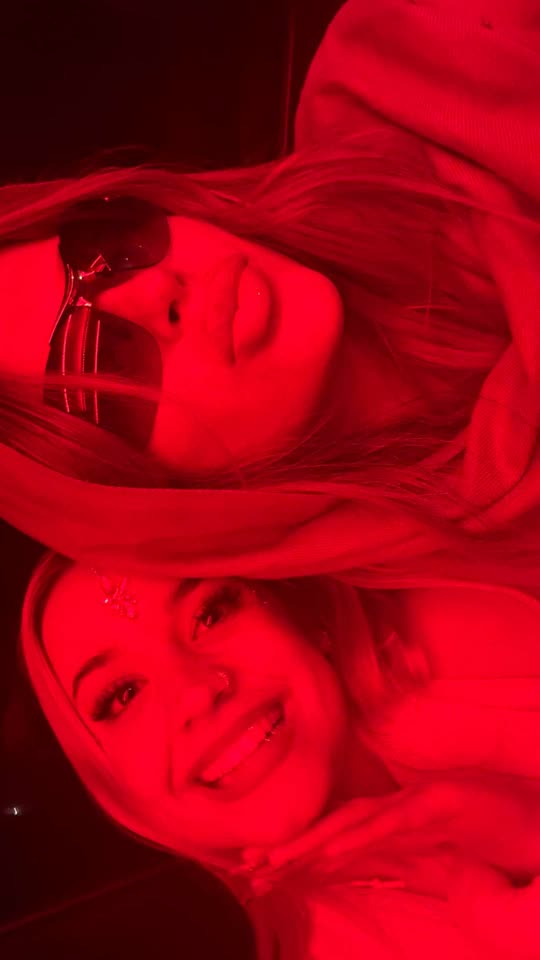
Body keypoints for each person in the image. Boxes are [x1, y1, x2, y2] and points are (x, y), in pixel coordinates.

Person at [1, 0, 540, 593]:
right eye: (102, 362)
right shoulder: (470, 603)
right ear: (156, 502)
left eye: (108, 246)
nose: (156, 288)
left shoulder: (420, 56)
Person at [20, 553, 540, 958]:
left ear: (304, 616)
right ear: (115, 788)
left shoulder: (476, 652)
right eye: (124, 695)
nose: (197, 693)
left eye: (210, 614)